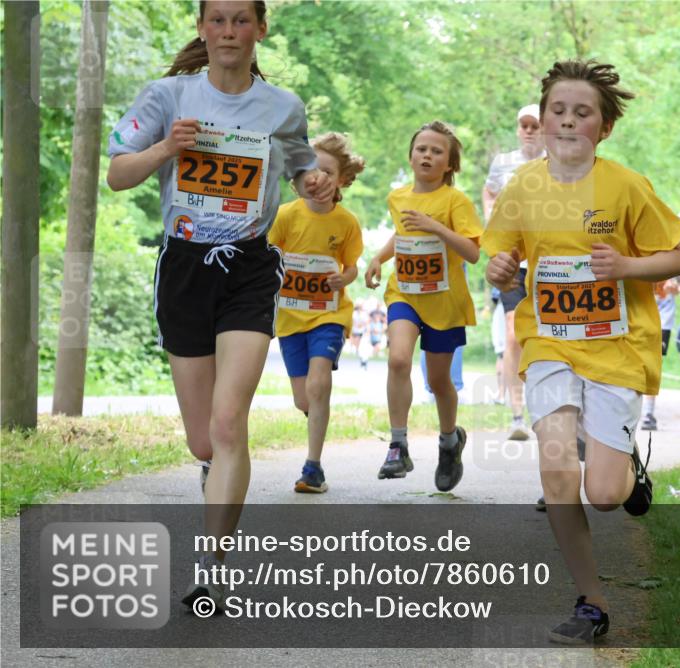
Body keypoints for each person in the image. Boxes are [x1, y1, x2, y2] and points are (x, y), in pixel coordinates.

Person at [106, 0, 334, 609]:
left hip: (249, 269)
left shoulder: (282, 106)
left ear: (260, 29)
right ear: (202, 28)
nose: (229, 31)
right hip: (184, 268)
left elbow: (302, 168)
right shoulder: (168, 96)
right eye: (217, 19)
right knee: (205, 441)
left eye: (241, 20)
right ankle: (213, 472)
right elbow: (118, 174)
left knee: (230, 422)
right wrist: (165, 150)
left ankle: (212, 565)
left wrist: (314, 183)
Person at [482, 59, 680, 645]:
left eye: (582, 112)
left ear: (605, 127)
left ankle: (626, 469)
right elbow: (501, 257)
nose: (569, 121)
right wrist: (501, 270)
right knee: (556, 471)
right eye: (559, 110)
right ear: (544, 120)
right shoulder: (524, 186)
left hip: (616, 347)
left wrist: (626, 266)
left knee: (603, 495)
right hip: (549, 342)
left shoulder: (625, 186)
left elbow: (677, 257)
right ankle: (591, 601)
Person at [364, 120, 481, 490]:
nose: (427, 155)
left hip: (444, 302)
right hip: (405, 293)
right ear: (411, 156)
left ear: (450, 164)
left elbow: (473, 252)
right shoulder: (398, 197)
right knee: (398, 359)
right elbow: (403, 234)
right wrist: (378, 258)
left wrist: (436, 227)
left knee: (438, 381)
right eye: (422, 149)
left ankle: (449, 441)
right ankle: (398, 445)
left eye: (436, 151)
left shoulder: (455, 201)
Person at [268, 132, 364, 493]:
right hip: (290, 318)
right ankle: (317, 415)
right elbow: (268, 256)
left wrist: (343, 278)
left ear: (341, 180)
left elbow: (352, 267)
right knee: (304, 399)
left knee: (319, 382)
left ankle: (313, 468)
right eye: (311, 170)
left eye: (327, 172)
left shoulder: (346, 223)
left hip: (329, 315)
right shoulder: (285, 216)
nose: (318, 178)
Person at [483, 104, 545, 442]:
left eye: (535, 125)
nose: (530, 131)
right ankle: (517, 415)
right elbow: (489, 191)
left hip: (548, 264)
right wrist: (491, 222)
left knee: (546, 336)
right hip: (513, 262)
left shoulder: (556, 162)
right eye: (525, 125)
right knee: (512, 334)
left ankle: (547, 410)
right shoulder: (503, 162)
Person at [641, 279, 680, 430]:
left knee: (653, 364)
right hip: (638, 314)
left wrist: (676, 287)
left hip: (663, 318)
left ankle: (648, 413)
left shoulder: (674, 261)